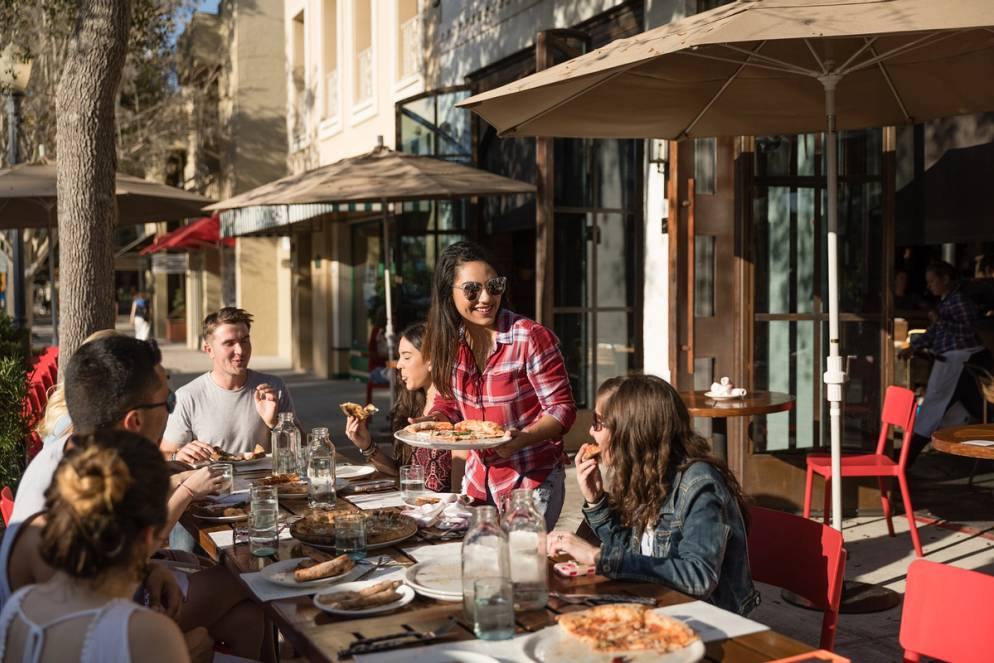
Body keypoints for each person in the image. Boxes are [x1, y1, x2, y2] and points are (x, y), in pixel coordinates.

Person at [2, 338, 271, 660]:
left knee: (248, 618)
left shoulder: (82, 458)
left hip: (123, 608)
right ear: (135, 421)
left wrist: (147, 570)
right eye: (169, 402)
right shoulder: (74, 489)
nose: (173, 409)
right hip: (121, 633)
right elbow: (78, 637)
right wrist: (184, 651)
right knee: (252, 579)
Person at [547, 375, 759, 616]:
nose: (591, 431)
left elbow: (698, 577)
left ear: (630, 430)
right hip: (657, 604)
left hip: (708, 618)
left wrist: (597, 556)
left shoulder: (700, 484)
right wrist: (596, 501)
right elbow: (635, 555)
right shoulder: (646, 475)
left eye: (599, 422)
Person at [0, 432, 191, 663]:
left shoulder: (18, 609)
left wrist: (149, 569)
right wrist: (190, 653)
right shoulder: (148, 634)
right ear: (150, 535)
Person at [423, 241, 576, 530]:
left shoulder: (529, 337)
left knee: (521, 569)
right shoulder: (450, 341)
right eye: (471, 289)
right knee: (484, 565)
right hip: (478, 481)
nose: (485, 298)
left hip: (530, 481)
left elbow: (562, 410)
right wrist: (432, 421)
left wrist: (524, 437)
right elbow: (449, 403)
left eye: (493, 286)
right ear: (449, 293)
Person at [161, 307, 295, 464]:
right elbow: (163, 455)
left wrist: (275, 424)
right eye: (229, 343)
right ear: (209, 350)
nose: (240, 350)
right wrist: (178, 456)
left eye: (244, 341)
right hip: (214, 486)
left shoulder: (273, 387)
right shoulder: (187, 397)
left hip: (265, 485)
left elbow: (301, 449)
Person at [344, 322, 465, 492]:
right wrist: (366, 445)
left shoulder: (455, 410)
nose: (399, 364)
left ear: (431, 360)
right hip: (414, 506)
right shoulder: (411, 404)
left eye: (406, 357)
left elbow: (458, 490)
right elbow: (399, 472)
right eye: (399, 357)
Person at [899, 260, 986, 467]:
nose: (930, 286)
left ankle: (905, 459)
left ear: (945, 279)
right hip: (951, 360)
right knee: (958, 409)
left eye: (932, 281)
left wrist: (939, 321)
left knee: (933, 409)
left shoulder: (959, 302)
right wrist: (915, 345)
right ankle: (909, 457)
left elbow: (967, 330)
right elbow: (936, 333)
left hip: (960, 358)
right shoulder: (947, 302)